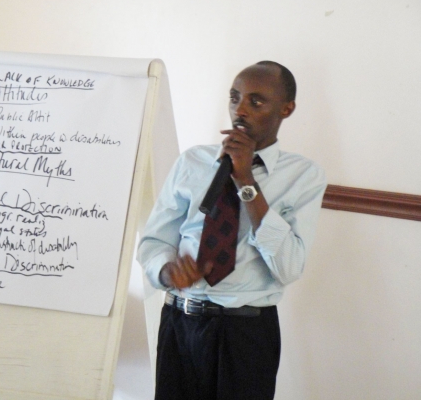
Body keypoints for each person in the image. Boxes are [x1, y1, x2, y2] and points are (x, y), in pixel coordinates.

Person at [137, 61, 327, 400]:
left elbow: (288, 267)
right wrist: (167, 271)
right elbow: (154, 240)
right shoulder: (193, 161)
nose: (240, 109)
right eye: (235, 97)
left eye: (256, 102)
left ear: (286, 108)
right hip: (180, 322)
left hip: (246, 332)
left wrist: (245, 181)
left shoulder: (304, 176)